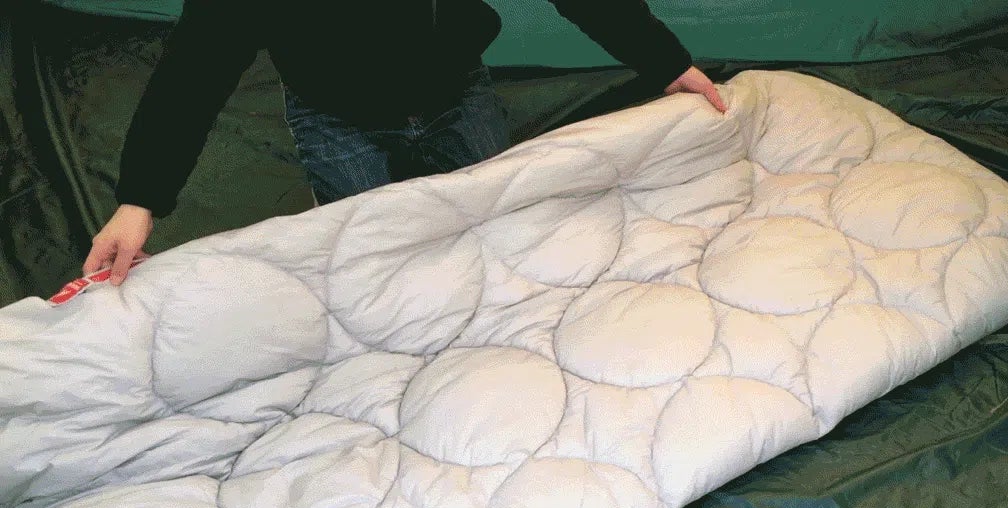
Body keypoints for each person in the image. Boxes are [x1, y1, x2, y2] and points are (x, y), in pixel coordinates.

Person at [84, 0, 727, 286]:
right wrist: (140, 198)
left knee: (495, 236)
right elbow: (196, 67)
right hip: (336, 115)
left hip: (455, 93)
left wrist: (664, 62)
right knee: (371, 264)